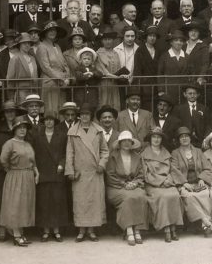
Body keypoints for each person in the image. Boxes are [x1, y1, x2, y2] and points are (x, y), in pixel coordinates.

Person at [66, 105, 109, 242]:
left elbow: (104, 151)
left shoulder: (98, 131)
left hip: (95, 172)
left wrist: (102, 164)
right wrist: (70, 171)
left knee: (94, 202)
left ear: (91, 116)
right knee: (80, 202)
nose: (85, 117)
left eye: (87, 114)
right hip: (80, 173)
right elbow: (69, 153)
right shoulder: (73, 132)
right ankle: (81, 230)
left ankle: (91, 231)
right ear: (79, 116)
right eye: (82, 114)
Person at [0, 116, 38, 247]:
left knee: (25, 205)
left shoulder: (28, 144)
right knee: (15, 205)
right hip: (15, 176)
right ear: (14, 130)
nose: (22, 130)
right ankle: (16, 235)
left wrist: (36, 172)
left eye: (24, 128)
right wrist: (11, 170)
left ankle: (21, 233)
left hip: (28, 176)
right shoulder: (10, 143)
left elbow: (33, 161)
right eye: (19, 128)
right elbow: (3, 159)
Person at [171, 127, 212, 236]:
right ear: (178, 140)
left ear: (190, 138)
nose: (184, 139)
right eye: (181, 137)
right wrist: (183, 183)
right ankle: (206, 222)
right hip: (185, 184)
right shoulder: (175, 153)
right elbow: (174, 169)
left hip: (198, 183)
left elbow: (207, 168)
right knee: (189, 196)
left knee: (205, 193)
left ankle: (204, 225)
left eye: (186, 136)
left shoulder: (198, 151)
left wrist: (201, 178)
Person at [104, 131, 149, 245]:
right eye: (123, 141)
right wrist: (123, 184)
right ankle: (129, 230)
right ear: (119, 143)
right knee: (128, 198)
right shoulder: (113, 156)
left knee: (141, 196)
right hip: (116, 187)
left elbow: (141, 174)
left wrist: (135, 183)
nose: (126, 143)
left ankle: (137, 230)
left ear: (132, 143)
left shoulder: (137, 156)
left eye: (129, 141)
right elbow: (110, 175)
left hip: (134, 185)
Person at [31, 113, 69, 242]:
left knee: (57, 202)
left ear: (55, 122)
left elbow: (65, 153)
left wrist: (61, 164)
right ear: (43, 122)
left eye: (51, 120)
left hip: (57, 173)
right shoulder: (37, 136)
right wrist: (36, 170)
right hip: (43, 173)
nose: (49, 122)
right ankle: (46, 231)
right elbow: (33, 154)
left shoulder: (62, 136)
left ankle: (57, 231)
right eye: (46, 120)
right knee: (44, 203)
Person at [0, 101, 21, 240]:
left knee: (14, 200)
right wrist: (3, 166)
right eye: (8, 112)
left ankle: (13, 228)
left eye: (13, 111)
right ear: (4, 114)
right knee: (0, 200)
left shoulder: (19, 126)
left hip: (16, 169)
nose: (10, 114)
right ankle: (2, 230)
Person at [142, 127, 184, 242]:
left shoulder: (166, 153)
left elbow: (172, 170)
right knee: (163, 197)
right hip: (153, 184)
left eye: (158, 137)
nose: (156, 140)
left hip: (167, 182)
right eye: (154, 137)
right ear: (150, 139)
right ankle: (166, 229)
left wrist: (168, 181)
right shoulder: (144, 154)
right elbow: (145, 174)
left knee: (174, 195)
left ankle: (173, 227)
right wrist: (160, 182)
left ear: (161, 139)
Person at [35, 21, 71, 114]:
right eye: (49, 30)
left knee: (61, 109)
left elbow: (64, 64)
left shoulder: (57, 46)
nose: (52, 32)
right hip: (50, 81)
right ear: (45, 33)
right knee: (51, 110)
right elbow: (46, 67)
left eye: (54, 30)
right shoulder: (42, 46)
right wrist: (61, 79)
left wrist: (67, 77)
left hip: (61, 83)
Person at [5, 34, 40, 105]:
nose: (27, 45)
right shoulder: (15, 58)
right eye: (24, 43)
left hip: (33, 91)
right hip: (21, 92)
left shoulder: (32, 58)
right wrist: (11, 97)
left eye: (29, 43)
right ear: (19, 45)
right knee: (23, 112)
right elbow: (10, 79)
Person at [94, 31, 123, 109]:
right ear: (102, 41)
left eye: (109, 39)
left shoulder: (115, 53)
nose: (108, 41)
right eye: (105, 39)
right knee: (104, 103)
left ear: (113, 40)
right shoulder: (98, 54)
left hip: (114, 84)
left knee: (115, 104)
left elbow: (119, 69)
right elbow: (104, 72)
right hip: (104, 83)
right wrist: (117, 77)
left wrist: (122, 75)